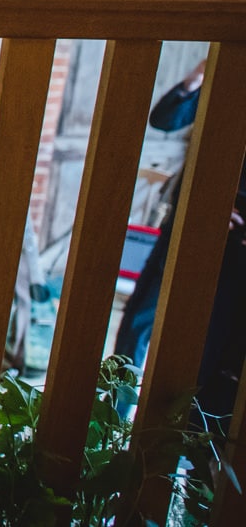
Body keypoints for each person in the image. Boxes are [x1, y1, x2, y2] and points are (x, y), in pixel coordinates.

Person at [113, 57, 245, 431]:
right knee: (141, 319)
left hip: (238, 248)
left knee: (213, 348)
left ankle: (186, 438)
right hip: (192, 221)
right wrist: (201, 73)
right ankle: (116, 417)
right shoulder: (231, 80)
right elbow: (165, 118)